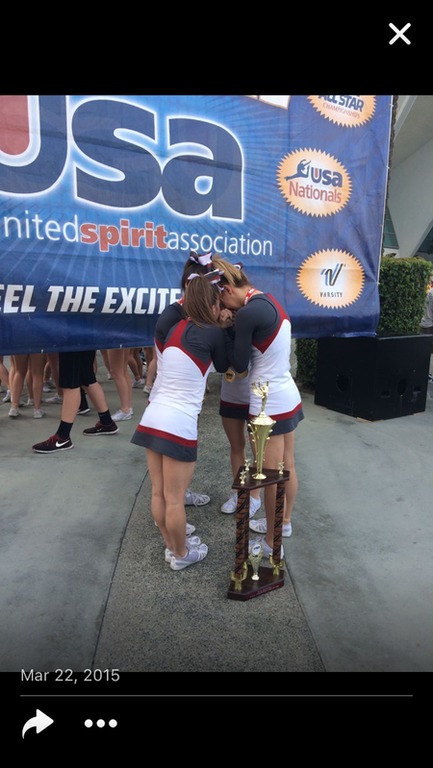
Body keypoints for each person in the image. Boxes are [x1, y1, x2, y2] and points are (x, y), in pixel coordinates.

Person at [131, 272, 231, 570]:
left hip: (153, 417)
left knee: (159, 492)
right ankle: (181, 553)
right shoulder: (213, 333)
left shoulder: (175, 327)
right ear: (213, 305)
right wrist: (226, 326)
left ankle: (172, 547)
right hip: (178, 422)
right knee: (174, 499)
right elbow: (226, 365)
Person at [217, 258, 304, 555]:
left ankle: (271, 543)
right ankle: (284, 523)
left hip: (267, 402)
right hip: (286, 394)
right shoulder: (269, 301)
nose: (225, 307)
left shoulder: (246, 314)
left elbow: (238, 364)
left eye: (222, 301)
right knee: (287, 466)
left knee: (269, 478)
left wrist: (225, 328)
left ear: (228, 290)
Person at [32, 350, 119, 453]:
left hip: (72, 344)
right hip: (85, 342)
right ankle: (106, 422)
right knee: (87, 378)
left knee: (71, 383)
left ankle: (62, 437)